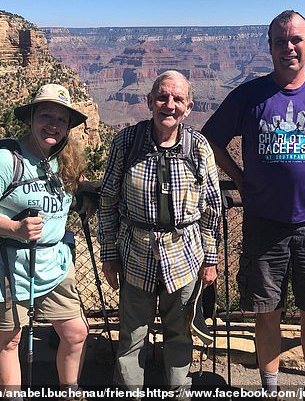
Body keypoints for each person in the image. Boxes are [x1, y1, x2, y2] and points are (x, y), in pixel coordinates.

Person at [201, 10, 305, 398]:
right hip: (263, 223)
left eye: (296, 40)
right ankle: (270, 389)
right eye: (280, 41)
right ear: (270, 47)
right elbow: (212, 140)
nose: (288, 47)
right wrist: (240, 179)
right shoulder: (249, 95)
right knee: (266, 312)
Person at [98, 70, 222, 399]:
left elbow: (212, 207)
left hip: (185, 256)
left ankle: (179, 394)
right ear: (149, 101)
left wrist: (210, 260)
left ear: (189, 106)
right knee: (132, 336)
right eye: (163, 97)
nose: (169, 105)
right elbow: (108, 199)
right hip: (135, 255)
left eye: (177, 99)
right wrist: (109, 253)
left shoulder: (197, 147)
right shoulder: (127, 142)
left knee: (180, 335)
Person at [0, 83, 91, 399]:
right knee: (9, 337)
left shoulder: (62, 161)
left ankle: (70, 390)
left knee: (75, 332)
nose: (53, 124)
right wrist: (13, 227)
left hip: (54, 262)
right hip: (7, 263)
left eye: (61, 120)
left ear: (68, 127)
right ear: (31, 118)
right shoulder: (5, 161)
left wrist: (86, 198)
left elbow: (67, 195)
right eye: (46, 116)